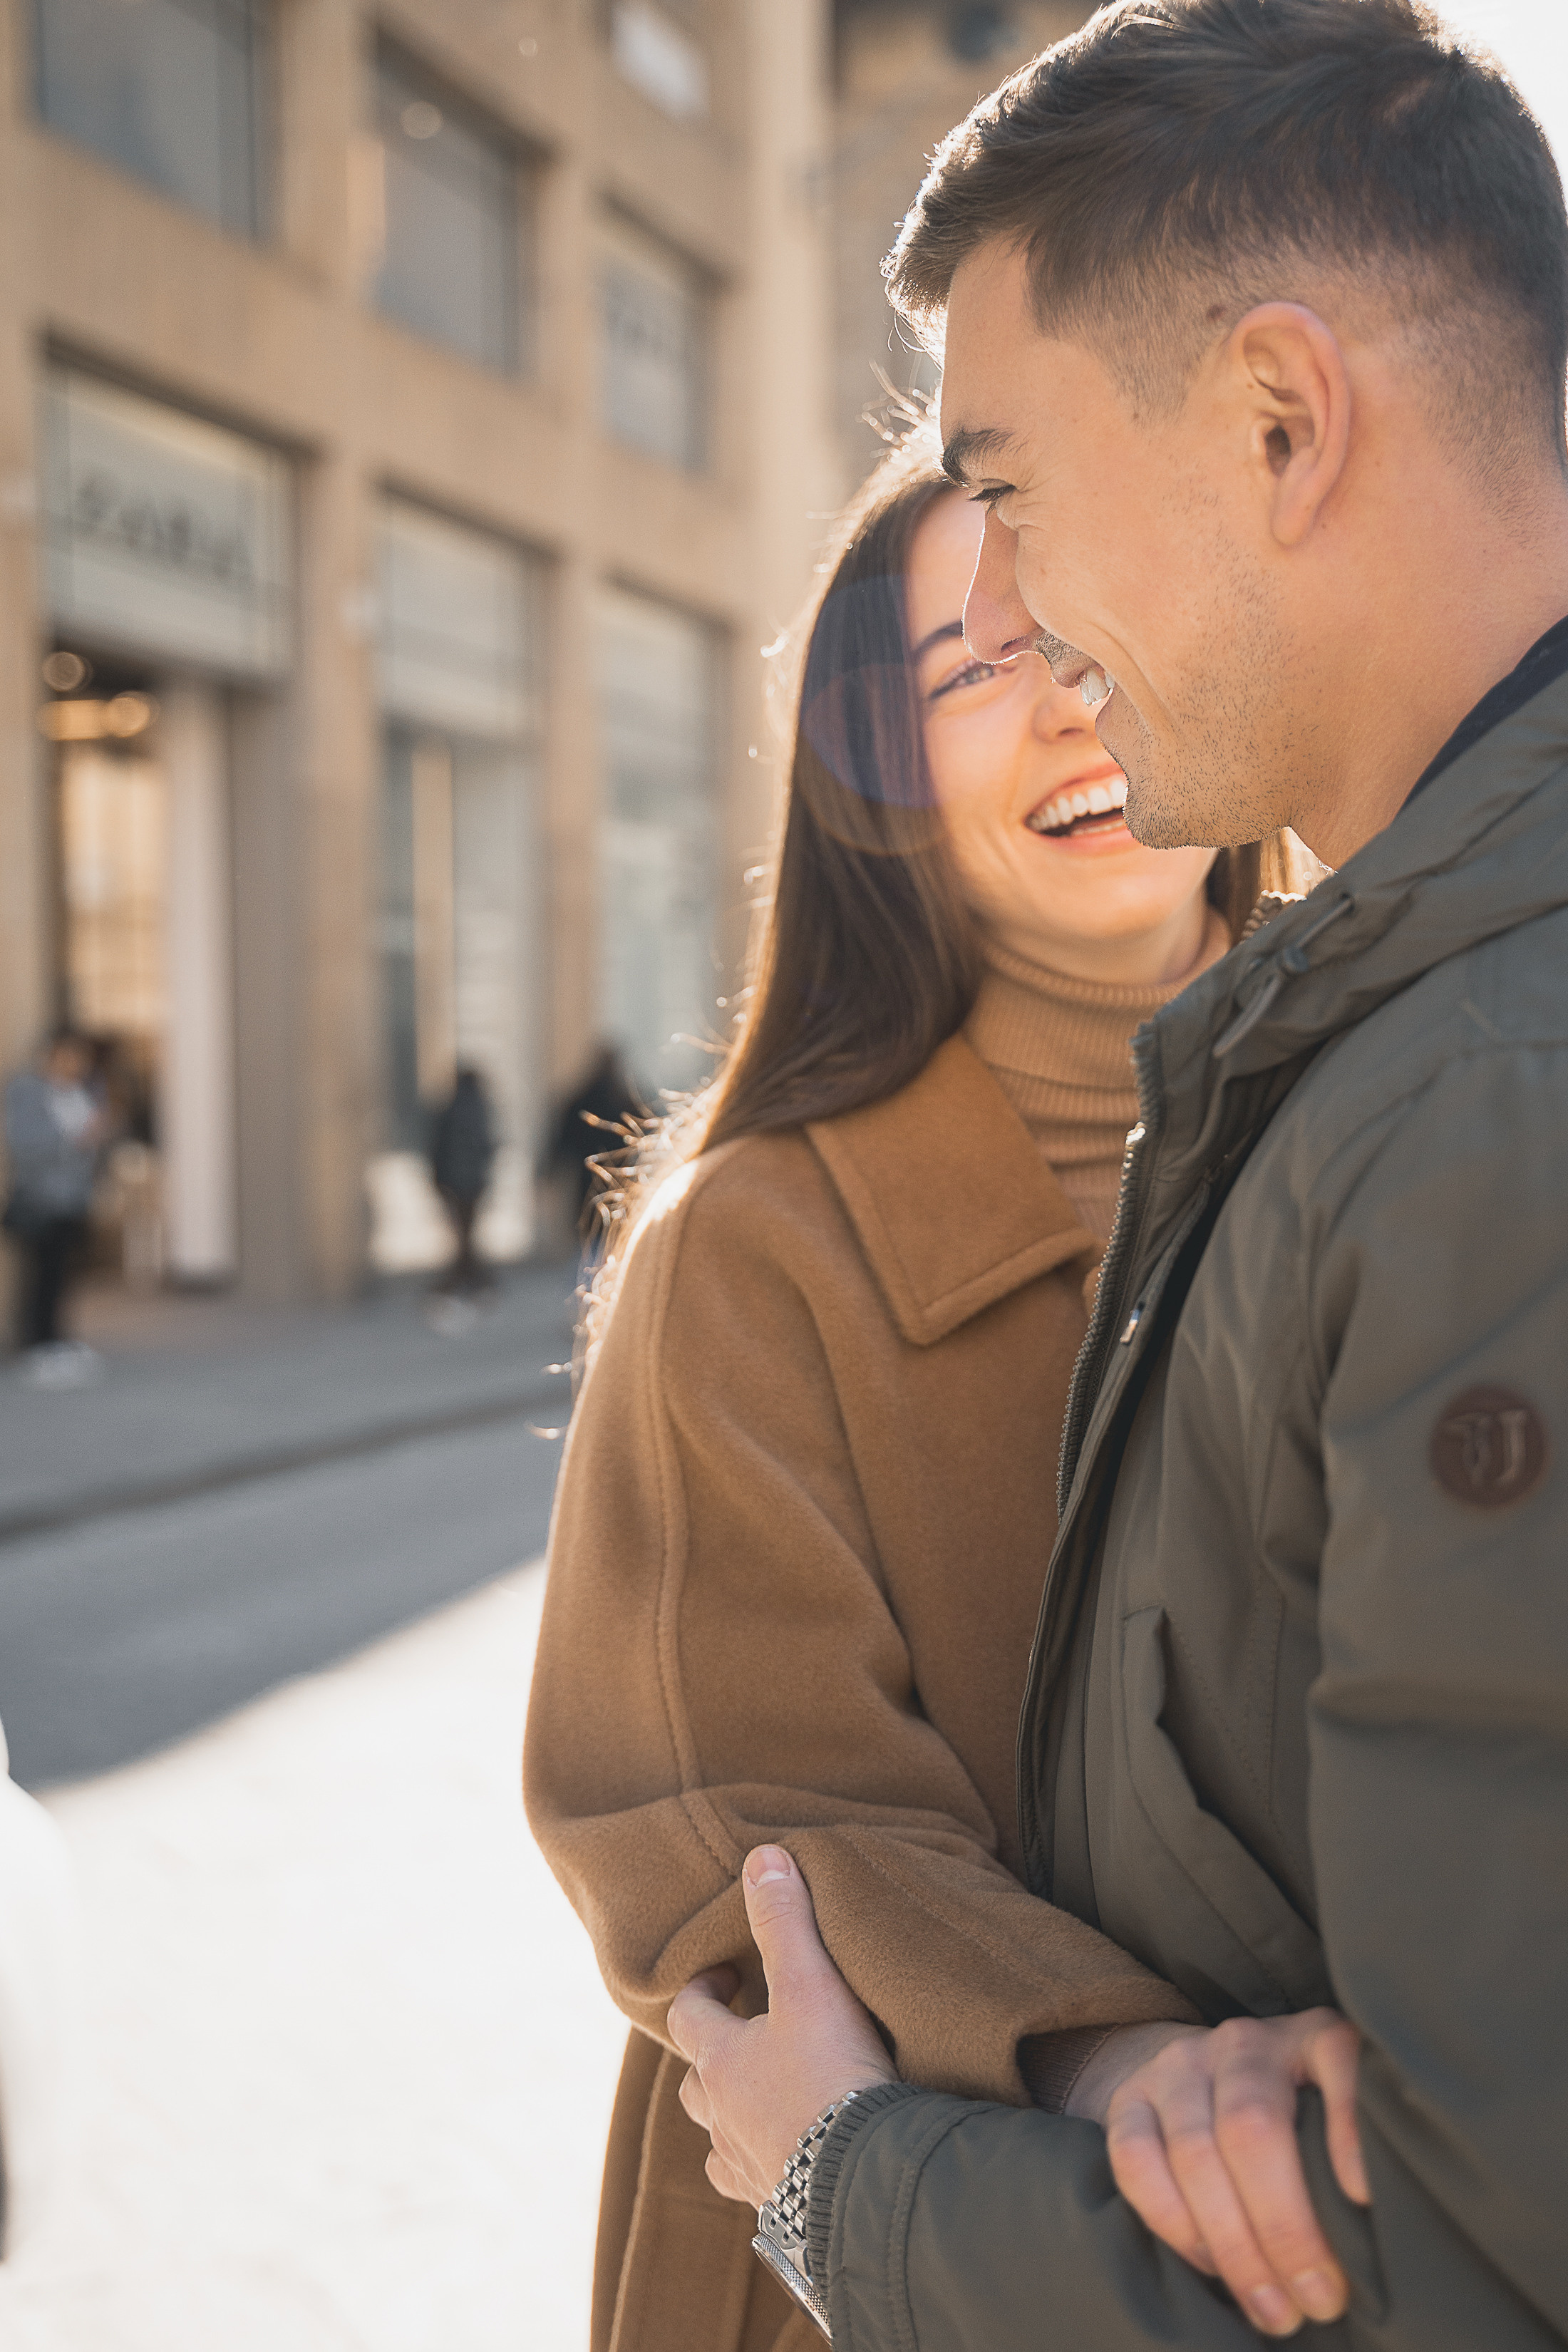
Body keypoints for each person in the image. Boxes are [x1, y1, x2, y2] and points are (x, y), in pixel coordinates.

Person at [667, 2, 1568, 2346]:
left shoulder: (1481, 1099)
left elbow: (1473, 2270)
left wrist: (858, 2193)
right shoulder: (1359, 1047)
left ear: (1282, 422)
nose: (1035, 626)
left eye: (1023, 492)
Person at [525, 430, 1345, 2352]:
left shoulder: (1429, 1110)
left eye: (1088, 628)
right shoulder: (759, 1243)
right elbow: (745, 1810)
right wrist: (1120, 2064)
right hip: (874, 2233)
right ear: (877, 784)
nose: (1062, 698)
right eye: (973, 672)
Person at [3, 1030, 106, 1386]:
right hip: (40, 1200)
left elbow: (94, 1145)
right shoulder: (26, 1091)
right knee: (40, 1276)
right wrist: (74, 1140)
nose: (75, 1063)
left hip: (75, 1200)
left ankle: (57, 1340)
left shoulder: (83, 1092)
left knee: (64, 1274)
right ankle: (37, 1343)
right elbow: (25, 1146)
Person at [427, 1066, 497, 1301]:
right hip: (469, 1181)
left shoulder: (451, 1109)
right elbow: (483, 1146)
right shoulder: (476, 1110)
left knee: (464, 1232)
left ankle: (467, 1275)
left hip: (456, 1181)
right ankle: (468, 1276)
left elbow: (438, 1146)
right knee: (466, 1232)